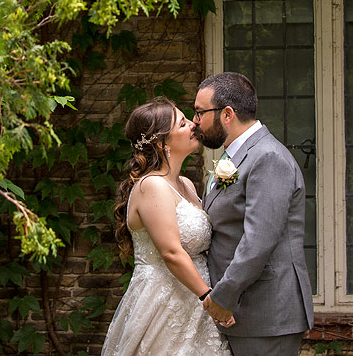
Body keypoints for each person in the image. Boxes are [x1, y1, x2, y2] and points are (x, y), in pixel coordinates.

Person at [101, 97, 233, 356]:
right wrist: (209, 298)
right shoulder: (152, 185)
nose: (193, 126)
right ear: (161, 143)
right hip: (166, 302)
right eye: (183, 124)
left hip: (195, 303)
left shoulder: (185, 184)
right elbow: (171, 252)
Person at [194, 72, 314, 356]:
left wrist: (223, 296)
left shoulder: (267, 157)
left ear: (227, 114)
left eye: (200, 112)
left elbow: (258, 242)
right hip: (245, 312)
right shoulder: (236, 157)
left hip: (266, 313)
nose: (195, 120)